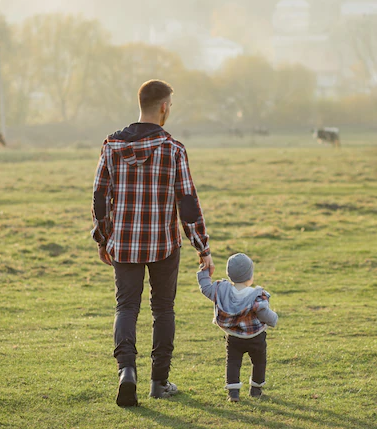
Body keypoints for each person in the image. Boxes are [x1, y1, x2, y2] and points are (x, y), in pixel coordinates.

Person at [91, 79, 213, 407]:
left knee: (126, 307)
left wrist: (103, 238)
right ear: (163, 107)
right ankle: (159, 382)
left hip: (125, 244)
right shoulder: (173, 149)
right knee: (163, 309)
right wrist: (202, 247)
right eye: (170, 105)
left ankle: (126, 372)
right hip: (164, 244)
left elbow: (100, 198)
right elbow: (187, 202)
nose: (169, 110)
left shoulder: (112, 146)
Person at [197, 253, 278, 402]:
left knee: (233, 362)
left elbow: (206, 288)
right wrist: (274, 319)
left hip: (233, 338)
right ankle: (256, 390)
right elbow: (265, 314)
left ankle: (233, 393)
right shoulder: (256, 295)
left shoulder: (222, 291)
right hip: (256, 338)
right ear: (250, 276)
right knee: (259, 362)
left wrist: (204, 272)